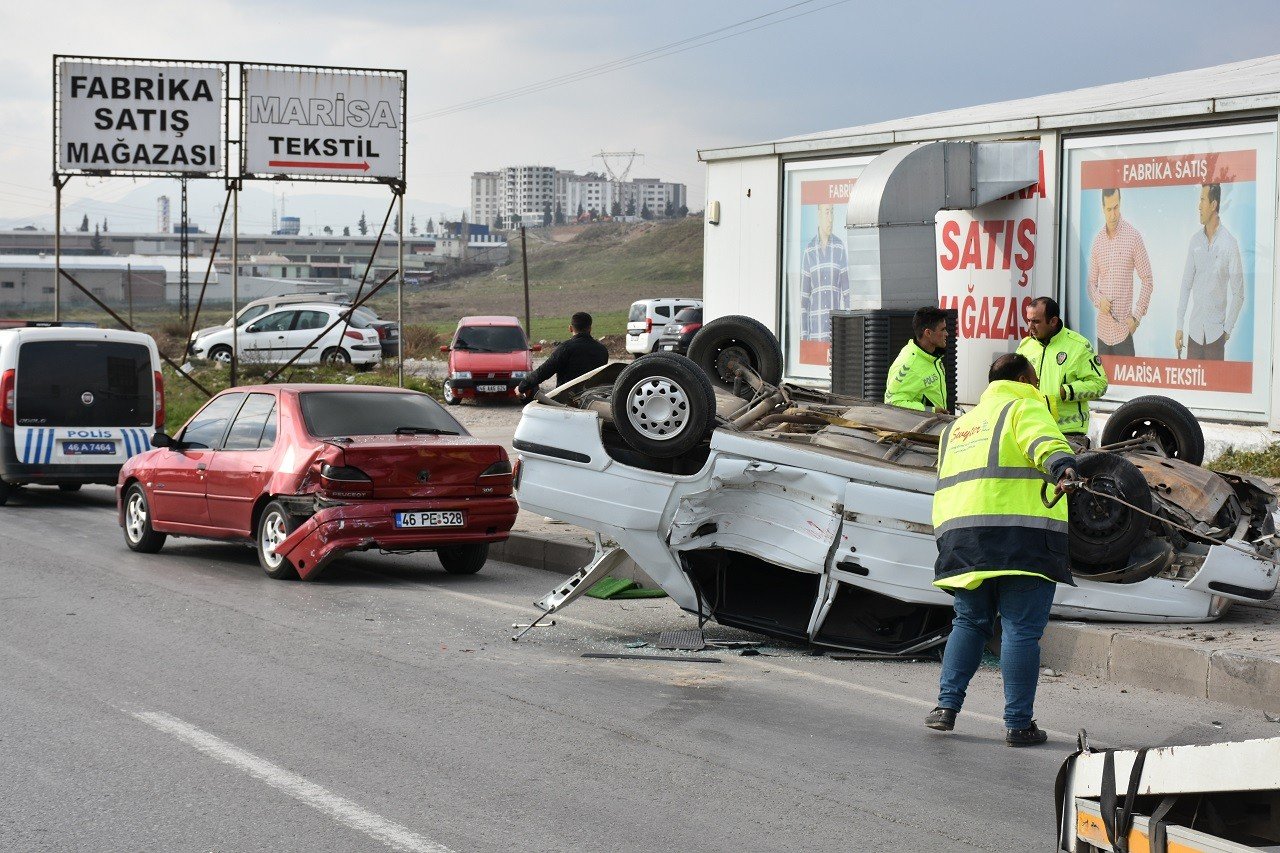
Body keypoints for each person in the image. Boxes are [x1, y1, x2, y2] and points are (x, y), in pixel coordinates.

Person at [925, 353, 1079, 746]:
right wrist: (1064, 468)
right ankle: (1018, 723)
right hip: (1019, 536)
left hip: (962, 539)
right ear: (1027, 377)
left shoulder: (958, 426)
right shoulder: (1024, 405)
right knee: (1020, 630)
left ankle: (945, 708)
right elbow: (1043, 442)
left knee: (969, 622)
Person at [1016, 296, 1107, 439]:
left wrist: (1067, 391)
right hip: (1032, 429)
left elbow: (1100, 385)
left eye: (1036, 322)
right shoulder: (1025, 346)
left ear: (1053, 321)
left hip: (1068, 432)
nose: (1030, 327)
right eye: (1028, 320)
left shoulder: (1079, 345)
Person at [1175, 183, 1245, 361]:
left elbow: (1239, 293)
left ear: (1213, 205)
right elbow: (1185, 285)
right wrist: (1179, 325)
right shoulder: (1195, 242)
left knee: (1215, 389)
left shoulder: (1230, 244)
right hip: (1194, 336)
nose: (1199, 206)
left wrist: (1227, 330)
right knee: (1191, 388)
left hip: (1215, 339)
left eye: (1202, 200)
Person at [1086, 188, 1154, 356]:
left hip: (1123, 333)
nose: (1113, 214)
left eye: (1116, 207)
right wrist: (1098, 300)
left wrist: (1136, 318)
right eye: (1109, 209)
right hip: (1102, 334)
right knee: (1103, 383)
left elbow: (1147, 280)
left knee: (1127, 383)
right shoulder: (1098, 241)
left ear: (1120, 203)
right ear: (1102, 208)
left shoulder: (1133, 237)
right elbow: (1091, 284)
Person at [517, 311, 609, 398]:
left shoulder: (565, 348)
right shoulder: (602, 350)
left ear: (570, 328)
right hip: (592, 400)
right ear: (590, 328)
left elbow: (544, 371)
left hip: (567, 401)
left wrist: (522, 387)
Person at [798, 202, 851, 344]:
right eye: (827, 212)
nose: (831, 218)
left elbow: (848, 295)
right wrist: (804, 337)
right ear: (819, 214)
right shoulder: (809, 251)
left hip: (837, 331)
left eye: (832, 212)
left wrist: (849, 330)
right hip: (816, 333)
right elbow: (804, 301)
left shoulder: (839, 247)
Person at [884, 306, 949, 412]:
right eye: (942, 329)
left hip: (933, 424)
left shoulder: (932, 356)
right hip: (915, 427)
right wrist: (931, 411)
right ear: (928, 333)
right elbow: (892, 403)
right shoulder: (908, 364)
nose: (947, 334)